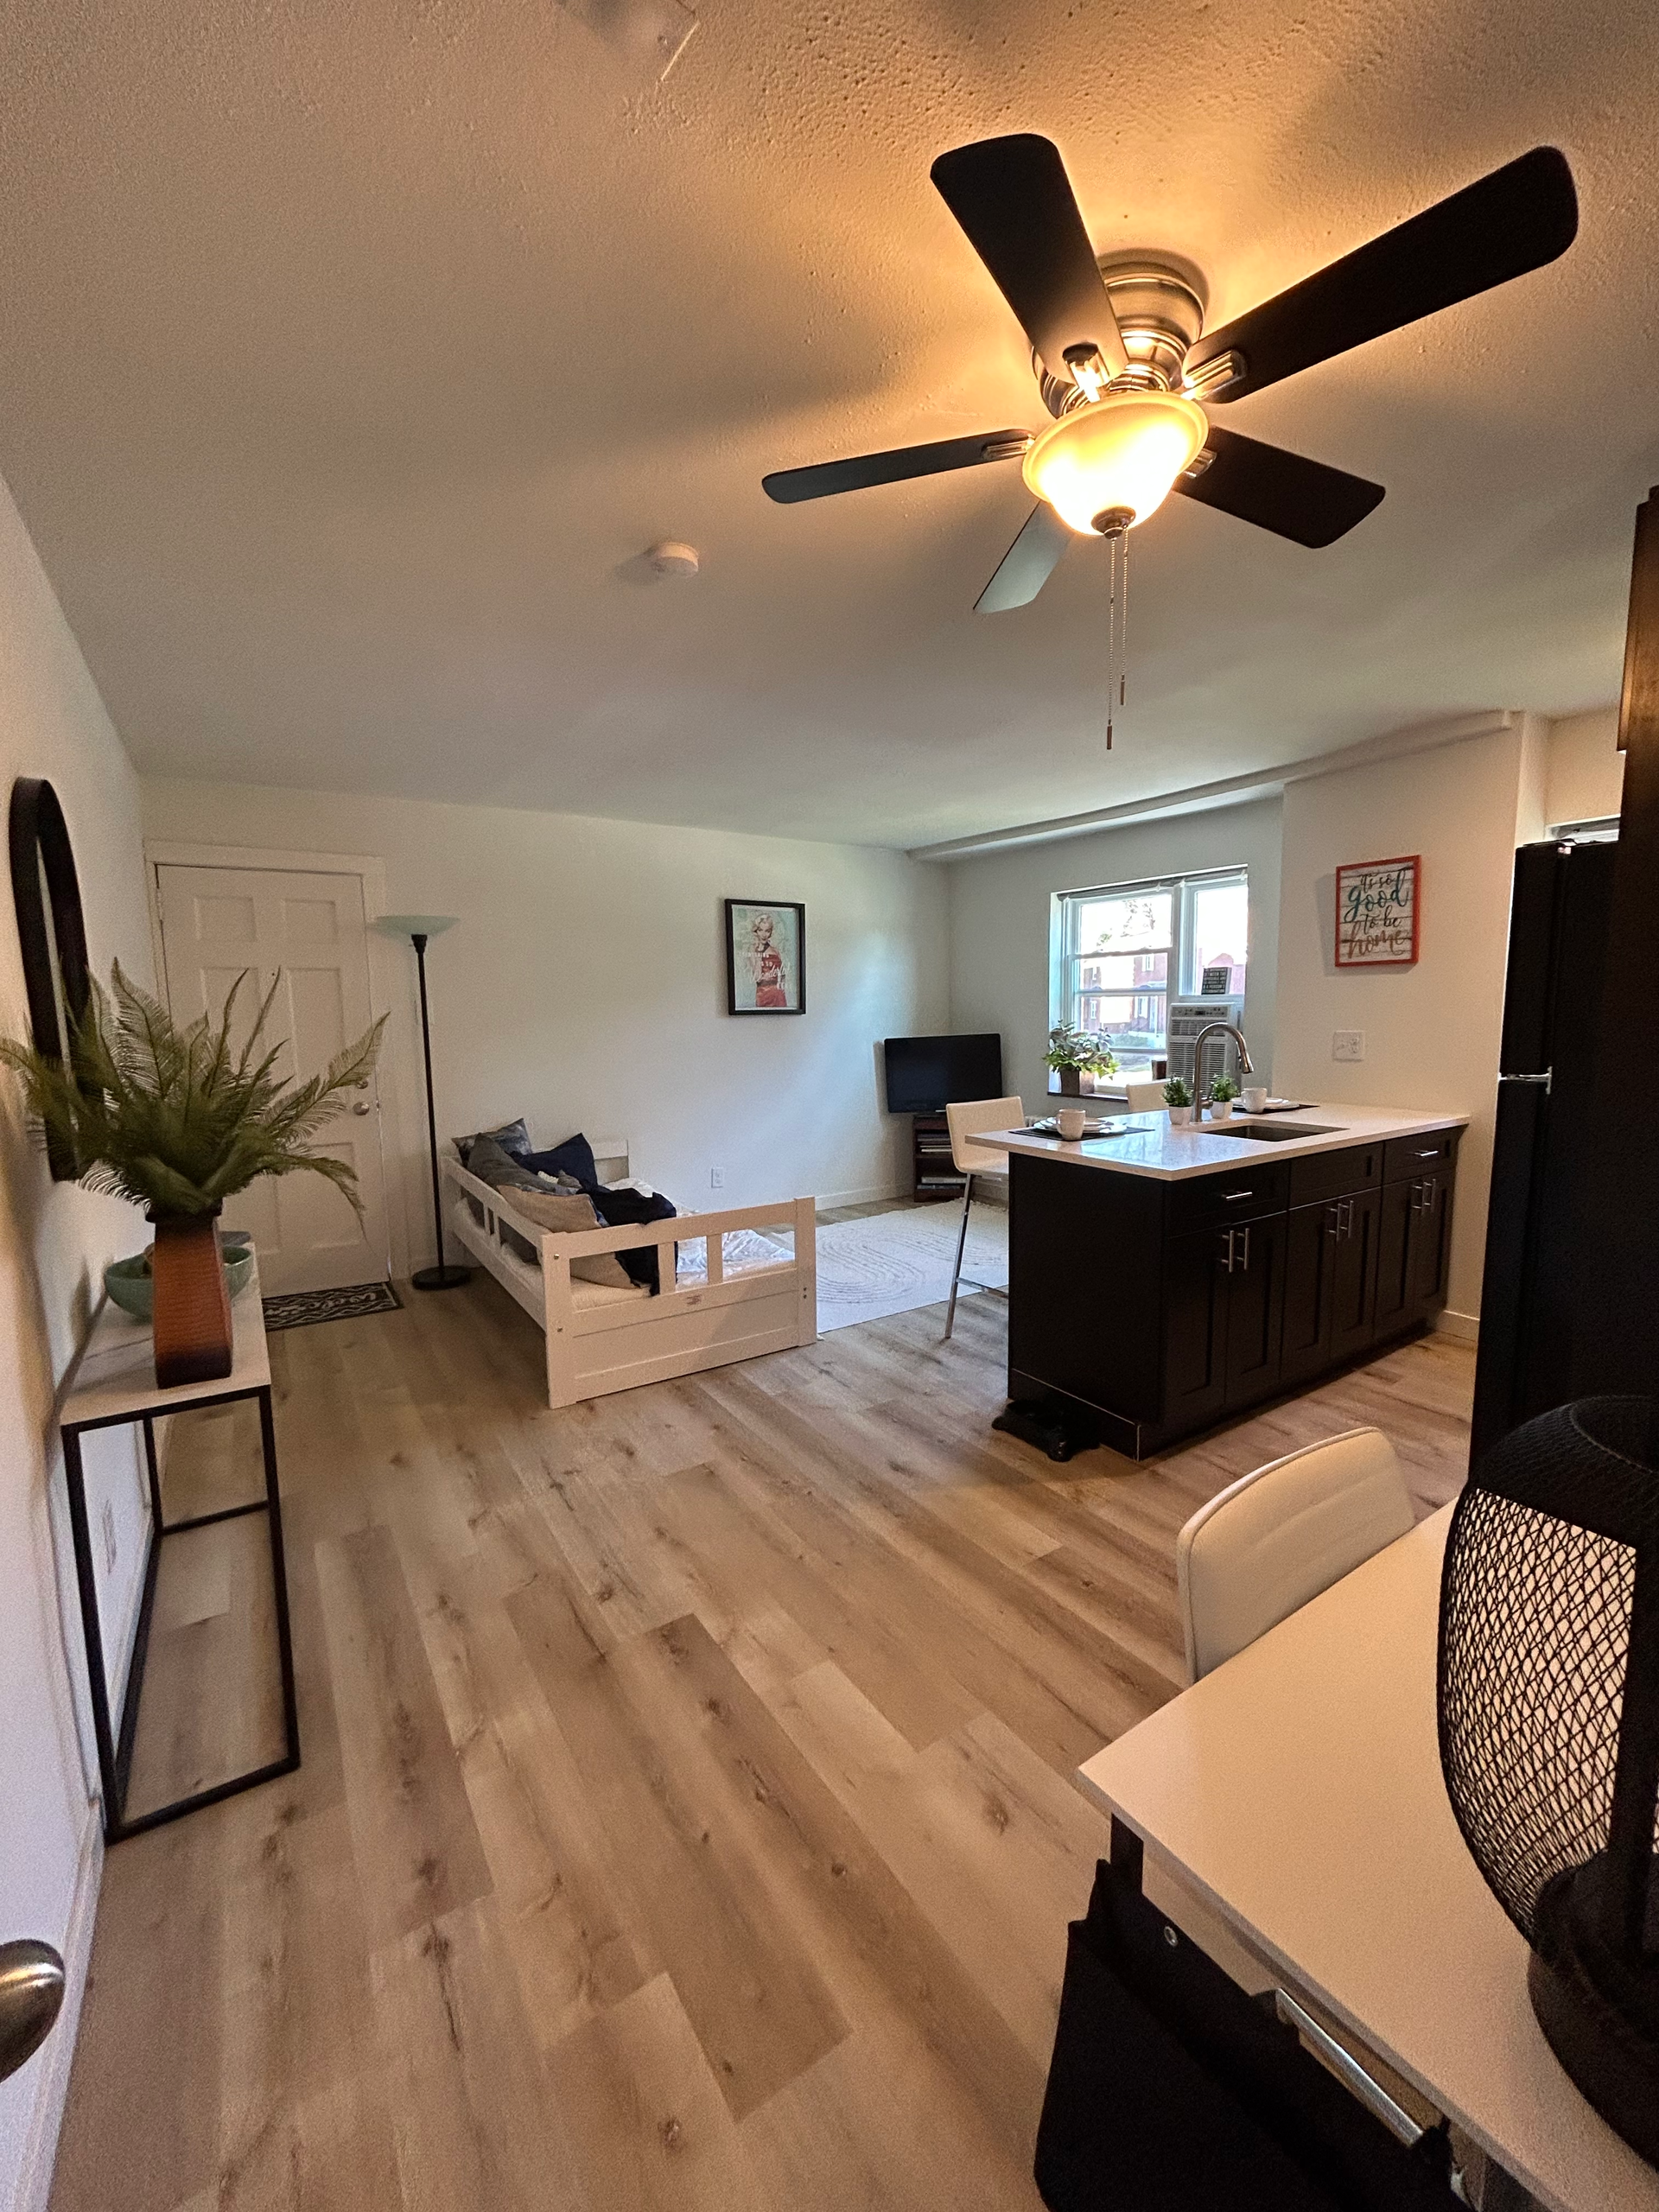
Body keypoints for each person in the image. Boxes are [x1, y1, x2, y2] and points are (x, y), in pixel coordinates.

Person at [746, 911, 788, 1008]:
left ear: (770, 932)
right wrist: (759, 954)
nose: (764, 934)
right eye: (761, 930)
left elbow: (783, 973)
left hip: (778, 995)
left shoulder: (775, 951)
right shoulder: (752, 949)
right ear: (756, 931)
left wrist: (781, 988)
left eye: (767, 931)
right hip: (763, 993)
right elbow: (757, 977)